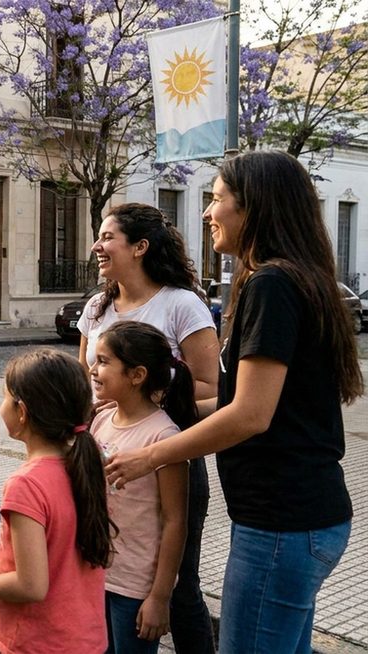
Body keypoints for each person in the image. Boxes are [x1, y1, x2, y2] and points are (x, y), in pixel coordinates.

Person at [106, 150, 361, 653]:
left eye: (218, 199)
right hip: (298, 519)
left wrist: (151, 455)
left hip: (282, 525)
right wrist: (151, 416)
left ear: (253, 209)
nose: (207, 211)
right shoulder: (293, 277)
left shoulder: (273, 283)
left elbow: (250, 415)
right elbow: (238, 401)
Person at [76, 202, 219, 652]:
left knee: (178, 588)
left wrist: (151, 401)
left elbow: (211, 387)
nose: (97, 246)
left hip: (166, 458)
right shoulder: (97, 307)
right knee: (112, 577)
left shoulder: (181, 303)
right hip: (108, 458)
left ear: (139, 247)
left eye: (107, 237)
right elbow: (86, 378)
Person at [0, 348, 110, 654]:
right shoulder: (84, 466)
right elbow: (62, 548)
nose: (0, 406)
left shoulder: (26, 484)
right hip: (86, 639)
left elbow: (31, 586)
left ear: (22, 412)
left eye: (4, 397)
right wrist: (10, 556)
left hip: (39, 643)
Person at [89, 322, 192, 653]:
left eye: (104, 361)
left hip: (135, 588)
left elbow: (175, 520)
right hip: (96, 573)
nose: (93, 369)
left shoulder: (163, 438)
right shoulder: (102, 419)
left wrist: (160, 596)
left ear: (137, 375)